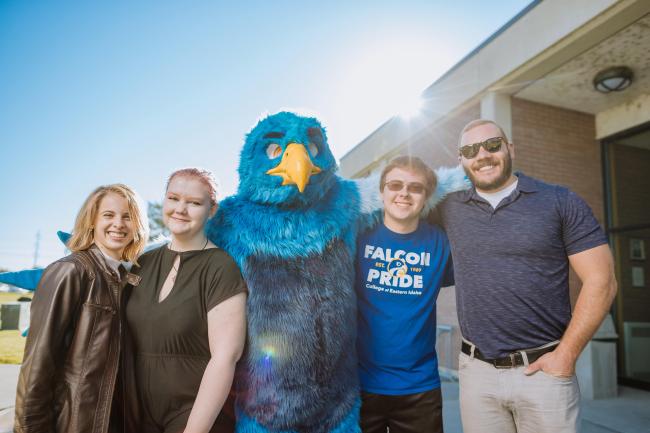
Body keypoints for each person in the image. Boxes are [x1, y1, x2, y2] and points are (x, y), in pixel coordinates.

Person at [434, 119, 617, 433]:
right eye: (470, 150)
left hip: (544, 373)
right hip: (477, 376)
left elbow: (602, 280)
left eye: (492, 145)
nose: (483, 155)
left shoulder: (559, 201)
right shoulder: (449, 208)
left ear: (510, 149)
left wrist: (566, 356)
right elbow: (397, 205)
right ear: (461, 160)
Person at [15, 184, 148, 433]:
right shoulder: (70, 271)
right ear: (91, 221)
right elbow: (37, 365)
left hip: (115, 422)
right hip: (74, 424)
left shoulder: (126, 280)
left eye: (127, 217)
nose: (118, 224)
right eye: (108, 215)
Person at [126, 168, 247, 433]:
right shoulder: (142, 264)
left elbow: (226, 356)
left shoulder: (221, 267)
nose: (180, 209)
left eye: (194, 203)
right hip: (135, 413)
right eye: (173, 198)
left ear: (211, 210)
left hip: (193, 417)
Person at [355, 156, 454, 433]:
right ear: (382, 191)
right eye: (395, 184)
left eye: (415, 188)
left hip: (419, 389)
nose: (404, 193)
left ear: (427, 196)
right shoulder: (357, 237)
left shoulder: (441, 243)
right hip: (359, 385)